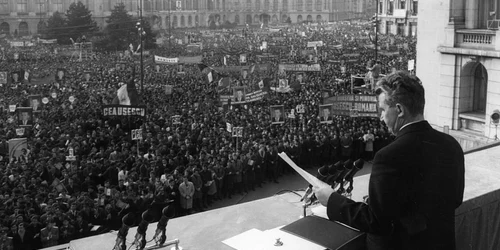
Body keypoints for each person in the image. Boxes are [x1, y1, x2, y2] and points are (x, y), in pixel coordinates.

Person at [314, 71, 465, 250]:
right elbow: (454, 199)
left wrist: (332, 200)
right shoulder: (451, 144)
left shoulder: (388, 156)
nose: (381, 118)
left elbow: (377, 222)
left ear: (399, 110)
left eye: (383, 110)